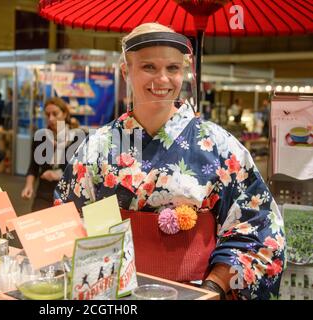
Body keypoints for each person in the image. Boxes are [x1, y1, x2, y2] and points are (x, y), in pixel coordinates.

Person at [54, 23, 285, 300]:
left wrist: (211, 288)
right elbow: (67, 221)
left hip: (195, 290)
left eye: (173, 68)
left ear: (184, 72)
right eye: (148, 67)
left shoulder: (219, 145)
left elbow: (258, 226)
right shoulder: (97, 146)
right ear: (126, 71)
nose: (162, 79)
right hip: (111, 291)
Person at [21, 97, 82, 211]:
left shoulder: (77, 138)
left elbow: (81, 170)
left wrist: (58, 174)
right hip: (44, 194)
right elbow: (33, 167)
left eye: (55, 114)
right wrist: (28, 186)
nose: (51, 118)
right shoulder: (40, 138)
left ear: (64, 114)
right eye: (47, 114)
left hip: (68, 195)